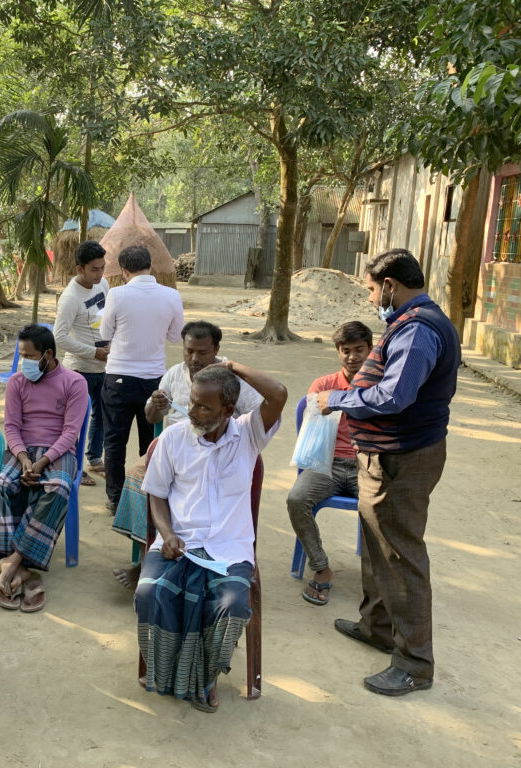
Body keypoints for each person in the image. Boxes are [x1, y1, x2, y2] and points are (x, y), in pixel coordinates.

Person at [316, 248, 460, 697]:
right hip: (387, 454)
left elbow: (395, 397)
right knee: (378, 545)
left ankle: (415, 663)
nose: (373, 298)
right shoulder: (411, 322)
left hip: (403, 457)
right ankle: (376, 626)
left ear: (392, 286)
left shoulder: (418, 330)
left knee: (400, 556)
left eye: (374, 289)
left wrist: (337, 401)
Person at [136, 362, 286, 713]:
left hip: (229, 549)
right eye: (191, 402)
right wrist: (167, 533)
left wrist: (231, 366)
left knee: (231, 604)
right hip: (179, 544)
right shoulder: (172, 439)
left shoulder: (249, 434)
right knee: (150, 592)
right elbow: (156, 493)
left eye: (204, 406)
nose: (192, 411)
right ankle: (166, 669)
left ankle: (204, 676)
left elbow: (278, 394)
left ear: (229, 410)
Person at [111, 321, 262, 589]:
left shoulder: (231, 379)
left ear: (216, 349)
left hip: (220, 453)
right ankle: (148, 554)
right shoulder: (173, 375)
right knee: (137, 479)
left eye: (202, 352)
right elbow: (151, 417)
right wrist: (155, 407)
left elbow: (259, 415)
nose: (194, 359)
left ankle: (197, 555)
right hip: (173, 451)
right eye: (188, 351)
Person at [0, 324, 88, 612]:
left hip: (57, 451)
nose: (24, 363)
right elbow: (11, 426)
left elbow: (71, 433)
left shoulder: (74, 382)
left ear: (48, 355)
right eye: (21, 355)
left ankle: (14, 560)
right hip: (21, 450)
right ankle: (19, 568)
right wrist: (23, 459)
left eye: (30, 356)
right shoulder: (18, 382)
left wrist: (43, 462)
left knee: (57, 487)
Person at [287, 321, 372, 606]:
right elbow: (313, 423)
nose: (353, 357)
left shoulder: (382, 387)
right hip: (328, 464)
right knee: (297, 499)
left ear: (370, 350)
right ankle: (321, 566)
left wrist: (340, 401)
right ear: (338, 352)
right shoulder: (323, 385)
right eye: (345, 350)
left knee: (387, 508)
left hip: (367, 467)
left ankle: (377, 576)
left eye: (359, 350)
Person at [100, 245, 184, 511]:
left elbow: (105, 332)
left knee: (114, 440)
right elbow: (175, 335)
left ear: (124, 270)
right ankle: (148, 495)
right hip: (154, 380)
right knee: (151, 440)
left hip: (119, 377)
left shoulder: (116, 294)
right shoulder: (171, 295)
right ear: (150, 265)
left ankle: (115, 499)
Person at [54, 240, 109, 486]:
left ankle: (94, 459)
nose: (100, 274)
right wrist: (92, 352)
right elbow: (59, 337)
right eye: (94, 269)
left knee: (102, 415)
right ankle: (73, 466)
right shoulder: (70, 298)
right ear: (80, 269)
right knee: (75, 421)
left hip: (105, 365)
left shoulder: (103, 284)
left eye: (102, 267)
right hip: (80, 369)